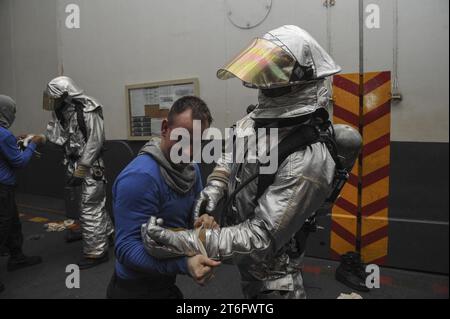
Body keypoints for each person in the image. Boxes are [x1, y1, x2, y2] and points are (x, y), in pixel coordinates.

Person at [142, 25, 363, 298]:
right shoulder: (256, 122)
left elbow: (261, 238)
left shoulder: (309, 158)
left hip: (275, 275)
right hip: (246, 262)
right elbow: (231, 153)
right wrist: (215, 187)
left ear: (296, 81)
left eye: (274, 72)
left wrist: (183, 242)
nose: (264, 80)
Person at [107, 96, 220, 299]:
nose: (189, 151)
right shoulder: (140, 178)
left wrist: (204, 222)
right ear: (165, 128)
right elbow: (125, 248)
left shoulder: (191, 169)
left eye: (197, 142)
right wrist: (184, 264)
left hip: (165, 282)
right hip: (135, 289)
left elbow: (193, 218)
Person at [43, 76, 113, 269]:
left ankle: (96, 252)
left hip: (89, 167)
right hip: (74, 164)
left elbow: (95, 142)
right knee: (92, 203)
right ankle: (106, 233)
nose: (52, 101)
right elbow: (58, 138)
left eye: (55, 97)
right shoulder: (64, 112)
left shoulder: (90, 109)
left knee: (89, 206)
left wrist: (81, 170)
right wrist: (37, 139)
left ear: (65, 95)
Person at [0, 95, 45, 294]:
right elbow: (19, 162)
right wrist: (34, 142)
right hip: (2, 188)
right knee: (3, 226)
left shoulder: (4, 135)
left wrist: (15, 141)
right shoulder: (3, 134)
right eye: (13, 111)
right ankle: (15, 256)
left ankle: (17, 256)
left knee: (13, 223)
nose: (14, 115)